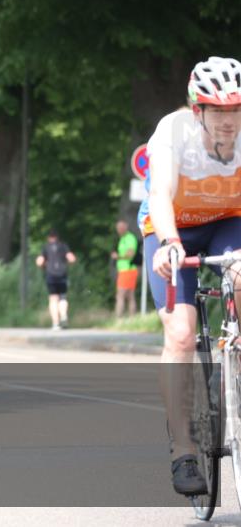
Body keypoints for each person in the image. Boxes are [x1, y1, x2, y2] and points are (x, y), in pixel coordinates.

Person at [140, 56, 241, 496]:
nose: (227, 121)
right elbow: (160, 192)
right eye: (217, 111)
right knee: (180, 334)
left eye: (236, 111)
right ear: (197, 110)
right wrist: (168, 242)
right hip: (172, 228)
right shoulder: (172, 132)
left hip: (228, 222)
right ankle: (182, 450)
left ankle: (231, 366)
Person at [35, 229, 77, 330]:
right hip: (62, 274)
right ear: (57, 237)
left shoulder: (45, 247)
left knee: (53, 299)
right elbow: (72, 259)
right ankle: (63, 315)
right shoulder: (63, 246)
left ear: (48, 238)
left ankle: (56, 323)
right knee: (63, 297)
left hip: (51, 275)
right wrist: (67, 264)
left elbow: (39, 262)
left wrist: (44, 266)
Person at [111, 220, 139, 318]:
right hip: (124, 270)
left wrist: (117, 257)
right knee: (130, 296)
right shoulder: (122, 239)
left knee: (120, 295)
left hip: (128, 270)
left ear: (126, 227)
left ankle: (118, 318)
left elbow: (130, 254)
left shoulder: (130, 238)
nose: (119, 230)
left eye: (121, 227)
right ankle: (132, 319)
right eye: (118, 228)